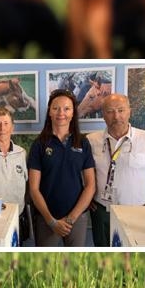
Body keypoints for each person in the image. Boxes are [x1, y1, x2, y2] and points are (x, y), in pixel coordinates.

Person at [87, 93, 145, 247]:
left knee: (134, 257)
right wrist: (86, 200)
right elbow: (83, 173)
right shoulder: (91, 140)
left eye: (121, 110)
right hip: (101, 212)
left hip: (138, 212)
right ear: (103, 115)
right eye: (110, 111)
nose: (116, 116)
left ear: (129, 111)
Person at [27, 89, 96, 247]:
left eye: (67, 108)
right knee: (46, 265)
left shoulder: (82, 143)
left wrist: (71, 218)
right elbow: (34, 189)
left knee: (76, 266)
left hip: (77, 218)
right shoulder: (39, 144)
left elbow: (91, 186)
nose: (61, 113)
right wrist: (51, 221)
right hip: (47, 218)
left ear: (73, 113)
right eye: (56, 108)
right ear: (49, 112)